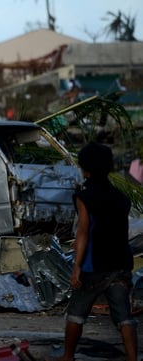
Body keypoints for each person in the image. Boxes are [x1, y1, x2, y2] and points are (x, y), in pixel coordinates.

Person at [54, 142, 138, 361]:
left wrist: (76, 268)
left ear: (86, 169)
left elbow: (83, 233)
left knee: (76, 313)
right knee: (124, 317)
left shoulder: (84, 197)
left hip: (95, 268)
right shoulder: (122, 198)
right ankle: (132, 357)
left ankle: (68, 356)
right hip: (120, 264)